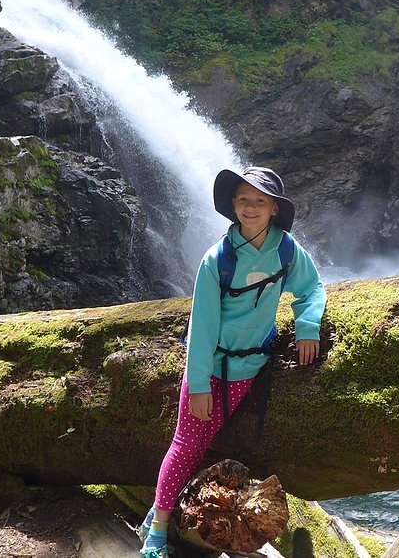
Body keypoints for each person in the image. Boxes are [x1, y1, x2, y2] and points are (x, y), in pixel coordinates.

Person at [138, 166, 326, 558]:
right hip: (210, 366)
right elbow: (202, 326)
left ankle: (172, 515)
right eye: (243, 200)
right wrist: (201, 384)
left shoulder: (286, 250)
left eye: (260, 201)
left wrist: (307, 327)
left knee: (205, 441)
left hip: (250, 368)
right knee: (187, 444)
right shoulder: (217, 260)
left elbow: (311, 288)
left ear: (274, 208)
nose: (251, 207)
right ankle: (156, 525)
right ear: (233, 206)